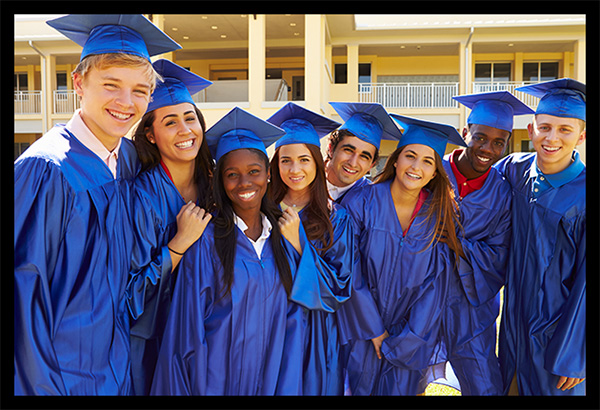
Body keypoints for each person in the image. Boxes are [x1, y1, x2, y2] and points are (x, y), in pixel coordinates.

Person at [14, 15, 180, 395]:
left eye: (140, 90)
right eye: (111, 85)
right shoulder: (46, 171)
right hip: (61, 378)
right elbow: (23, 297)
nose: (126, 102)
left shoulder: (127, 160)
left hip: (116, 370)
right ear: (78, 83)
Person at [150, 107, 352, 395]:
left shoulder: (284, 240)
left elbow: (298, 327)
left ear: (268, 175)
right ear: (221, 180)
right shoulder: (206, 242)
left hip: (277, 382)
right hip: (216, 383)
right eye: (232, 174)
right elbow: (185, 332)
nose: (245, 183)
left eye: (254, 172)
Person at [339, 114, 467, 395]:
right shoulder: (360, 202)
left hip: (411, 340)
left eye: (427, 161)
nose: (416, 167)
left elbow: (436, 286)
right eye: (410, 155)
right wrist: (374, 329)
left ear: (435, 172)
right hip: (359, 330)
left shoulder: (440, 215)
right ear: (395, 160)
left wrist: (409, 339)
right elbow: (349, 270)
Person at [420, 91, 534, 395]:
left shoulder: (503, 194)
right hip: (418, 302)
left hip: (471, 311)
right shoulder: (431, 172)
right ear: (464, 133)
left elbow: (500, 255)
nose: (488, 149)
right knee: (401, 383)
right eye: (480, 138)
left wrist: (457, 243)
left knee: (485, 388)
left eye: (499, 142)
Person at [126, 59, 214, 395]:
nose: (185, 130)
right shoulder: (142, 197)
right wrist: (180, 243)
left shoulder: (214, 185)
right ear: (150, 133)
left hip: (204, 330)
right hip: (153, 336)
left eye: (190, 118)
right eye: (170, 122)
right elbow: (131, 293)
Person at [494, 78, 586, 395]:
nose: (552, 138)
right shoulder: (513, 170)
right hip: (513, 325)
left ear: (582, 136)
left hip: (558, 335)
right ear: (532, 130)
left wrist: (576, 354)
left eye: (565, 130)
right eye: (545, 127)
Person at [267, 102, 354, 395]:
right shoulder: (262, 210)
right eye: (285, 160)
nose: (295, 169)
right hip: (268, 323)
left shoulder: (336, 218)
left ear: (317, 163)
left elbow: (339, 287)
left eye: (304, 160)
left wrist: (298, 242)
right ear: (275, 164)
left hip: (314, 330)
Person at [325, 102, 400, 202]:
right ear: (331, 149)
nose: (353, 162)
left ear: (371, 165)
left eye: (364, 156)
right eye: (348, 150)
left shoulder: (370, 200)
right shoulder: (304, 180)